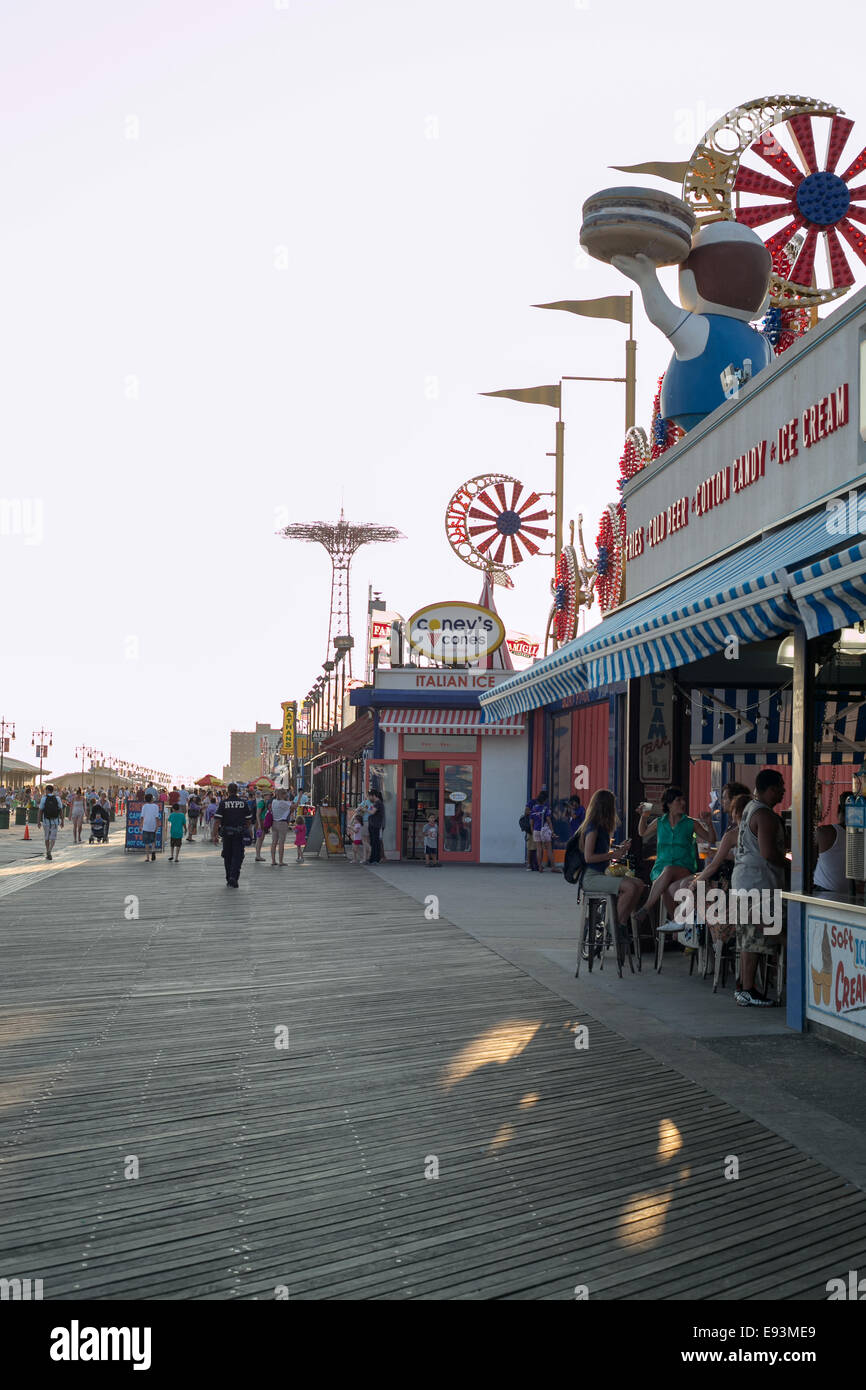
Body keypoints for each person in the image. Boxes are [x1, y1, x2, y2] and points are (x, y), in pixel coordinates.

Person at [730, 768, 787, 1007]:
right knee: (754, 940)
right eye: (781, 788)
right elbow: (768, 852)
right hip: (758, 886)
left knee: (747, 940)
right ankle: (748, 989)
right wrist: (793, 866)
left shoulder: (750, 809)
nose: (784, 792)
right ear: (771, 789)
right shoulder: (764, 815)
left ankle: (745, 986)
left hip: (744, 883)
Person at [635, 786, 714, 923]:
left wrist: (709, 824)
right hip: (660, 869)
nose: (683, 803)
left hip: (683, 868)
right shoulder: (659, 823)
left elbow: (711, 838)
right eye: (678, 800)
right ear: (669, 804)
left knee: (669, 870)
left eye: (683, 800)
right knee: (665, 886)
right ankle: (676, 923)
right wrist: (644, 816)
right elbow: (643, 832)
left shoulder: (691, 823)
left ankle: (647, 907)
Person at [577, 789, 639, 927]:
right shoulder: (592, 828)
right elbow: (589, 857)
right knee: (630, 888)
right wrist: (613, 855)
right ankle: (613, 926)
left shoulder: (602, 828)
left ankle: (620, 921)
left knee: (639, 885)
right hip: (591, 877)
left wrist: (619, 850)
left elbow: (601, 852)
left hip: (602, 873)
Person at [214, 783, 253, 887]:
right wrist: (247, 830)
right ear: (237, 791)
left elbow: (217, 820)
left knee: (227, 855)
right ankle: (234, 877)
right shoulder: (243, 803)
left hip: (226, 833)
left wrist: (214, 835)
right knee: (238, 856)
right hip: (239, 833)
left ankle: (228, 878)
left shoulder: (223, 803)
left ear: (228, 791)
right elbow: (248, 820)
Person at [813, 796, 851, 901]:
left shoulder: (825, 832)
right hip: (851, 893)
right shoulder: (861, 836)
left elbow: (808, 860)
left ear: (839, 811)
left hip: (824, 890)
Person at [528, 789, 555, 872]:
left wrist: (532, 831)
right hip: (544, 830)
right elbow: (549, 820)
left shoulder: (533, 809)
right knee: (549, 848)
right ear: (544, 800)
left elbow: (531, 822)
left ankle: (540, 867)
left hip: (536, 830)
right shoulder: (545, 809)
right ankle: (553, 867)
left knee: (539, 849)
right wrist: (552, 831)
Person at [38, 784, 64, 861]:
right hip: (55, 821)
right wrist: (62, 821)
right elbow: (61, 810)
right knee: (53, 837)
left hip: (46, 820)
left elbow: (40, 810)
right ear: (52, 790)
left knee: (46, 837)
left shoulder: (44, 798)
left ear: (47, 790)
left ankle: (47, 851)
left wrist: (38, 821)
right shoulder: (57, 798)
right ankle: (50, 850)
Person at [269, 790, 293, 865]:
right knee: (281, 842)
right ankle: (280, 861)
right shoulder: (283, 803)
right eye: (286, 794)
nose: (287, 795)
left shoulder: (274, 801)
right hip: (282, 823)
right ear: (283, 795)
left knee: (274, 842)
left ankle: (273, 861)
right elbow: (294, 806)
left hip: (274, 823)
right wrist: (300, 796)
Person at [140, 792, 161, 862]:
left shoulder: (144, 806)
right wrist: (157, 826)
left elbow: (142, 817)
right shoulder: (156, 806)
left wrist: (141, 825)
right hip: (153, 826)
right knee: (153, 841)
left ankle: (147, 857)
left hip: (146, 826)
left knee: (146, 842)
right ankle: (153, 850)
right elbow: (157, 817)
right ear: (152, 799)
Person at [367, 792, 384, 864]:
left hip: (375, 825)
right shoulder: (377, 803)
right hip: (374, 825)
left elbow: (372, 812)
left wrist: (365, 809)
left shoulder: (377, 803)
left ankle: (374, 859)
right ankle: (375, 858)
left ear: (373, 796)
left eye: (369, 796)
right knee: (374, 842)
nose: (368, 798)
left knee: (374, 842)